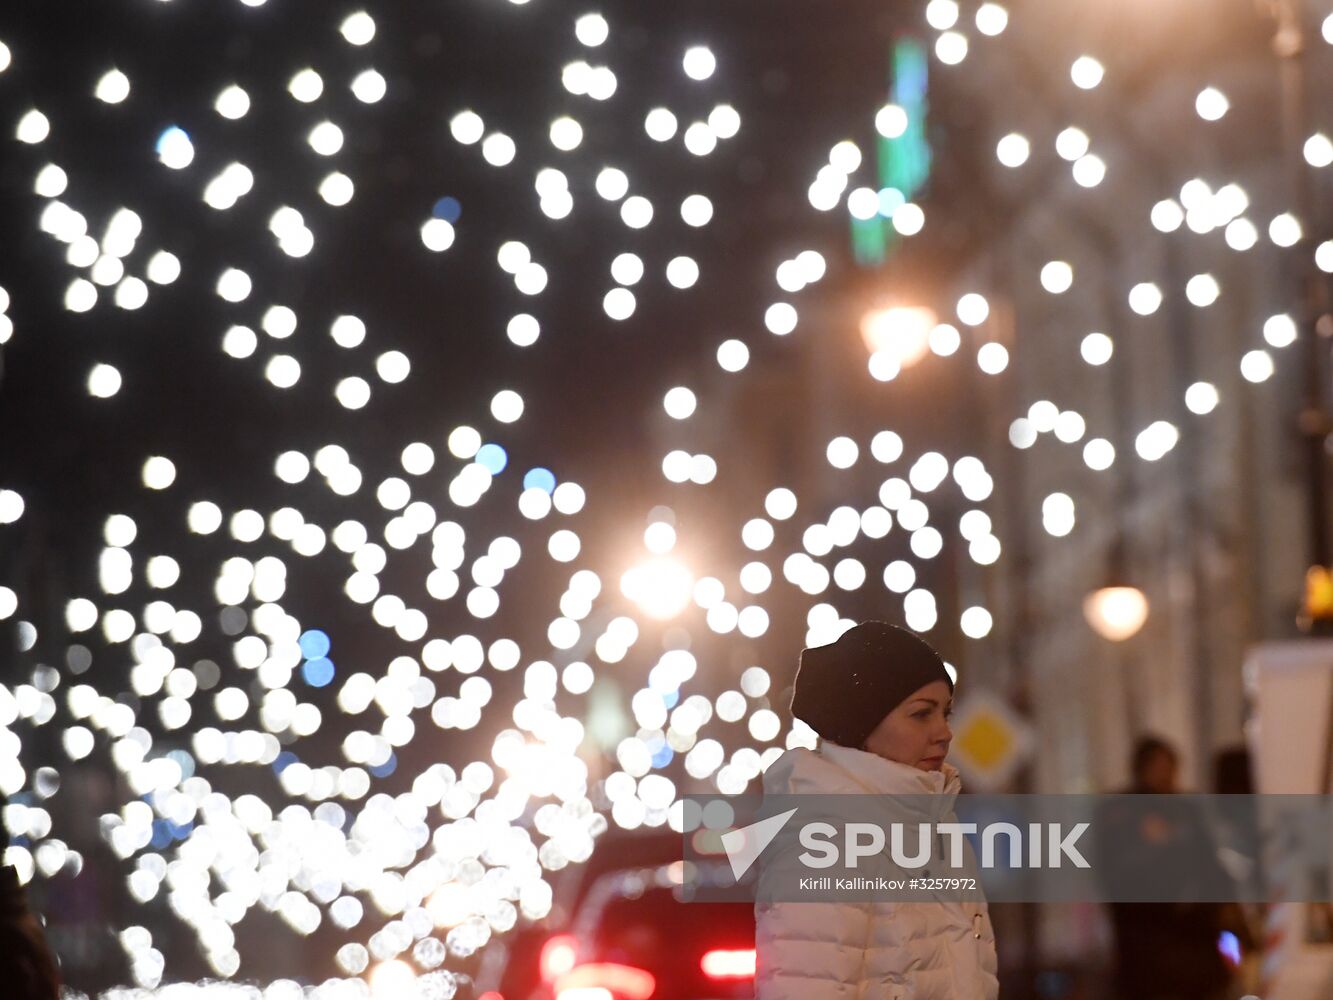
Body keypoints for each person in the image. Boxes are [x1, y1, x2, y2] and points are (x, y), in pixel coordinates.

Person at [754, 621, 999, 1000]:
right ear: (862, 726)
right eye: (921, 714)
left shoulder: (937, 827)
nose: (944, 732)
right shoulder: (826, 842)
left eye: (945, 713)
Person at [1101, 736, 1236, 1000]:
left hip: (1194, 945)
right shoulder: (1122, 815)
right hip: (1149, 950)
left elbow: (1210, 866)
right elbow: (1120, 880)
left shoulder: (1186, 811)